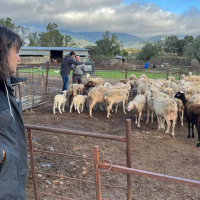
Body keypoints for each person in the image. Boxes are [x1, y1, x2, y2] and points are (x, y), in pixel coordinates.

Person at [0, 26, 27, 200]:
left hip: (11, 187)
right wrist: (3, 154)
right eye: (16, 51)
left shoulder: (5, 88)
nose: (18, 57)